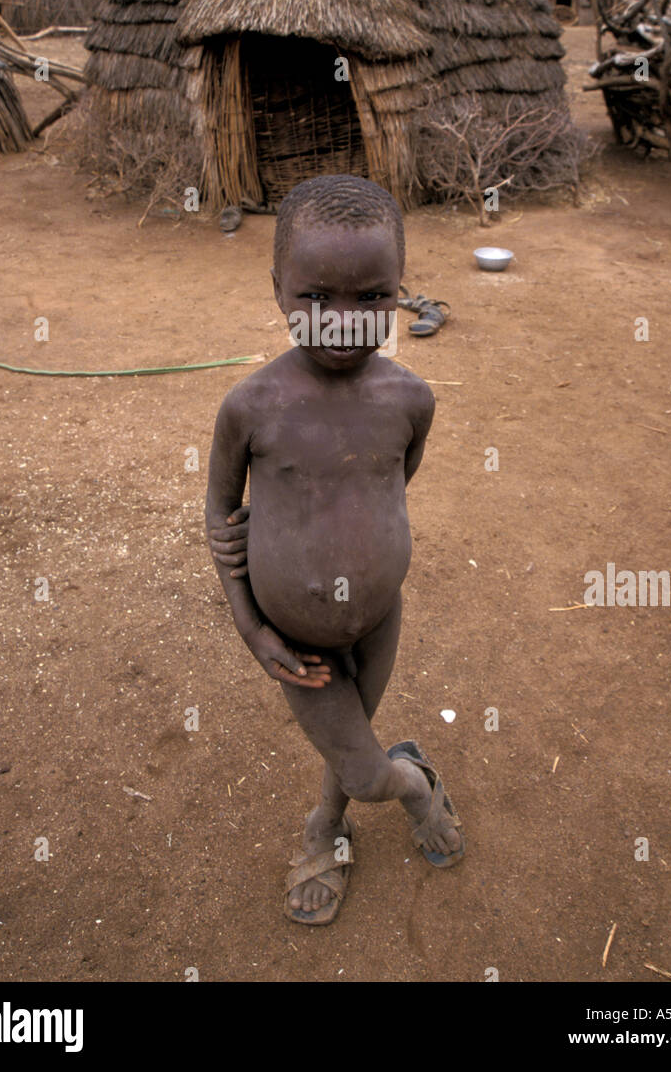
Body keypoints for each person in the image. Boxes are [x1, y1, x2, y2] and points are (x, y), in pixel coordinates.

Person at [206, 174, 464, 924]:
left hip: (379, 616)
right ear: (277, 288)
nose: (343, 322)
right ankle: (409, 787)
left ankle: (330, 820)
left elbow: (391, 486)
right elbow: (220, 519)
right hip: (295, 640)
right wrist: (254, 630)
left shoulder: (410, 399)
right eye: (316, 297)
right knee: (363, 762)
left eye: (371, 298)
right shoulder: (251, 408)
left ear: (399, 294)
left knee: (349, 746)